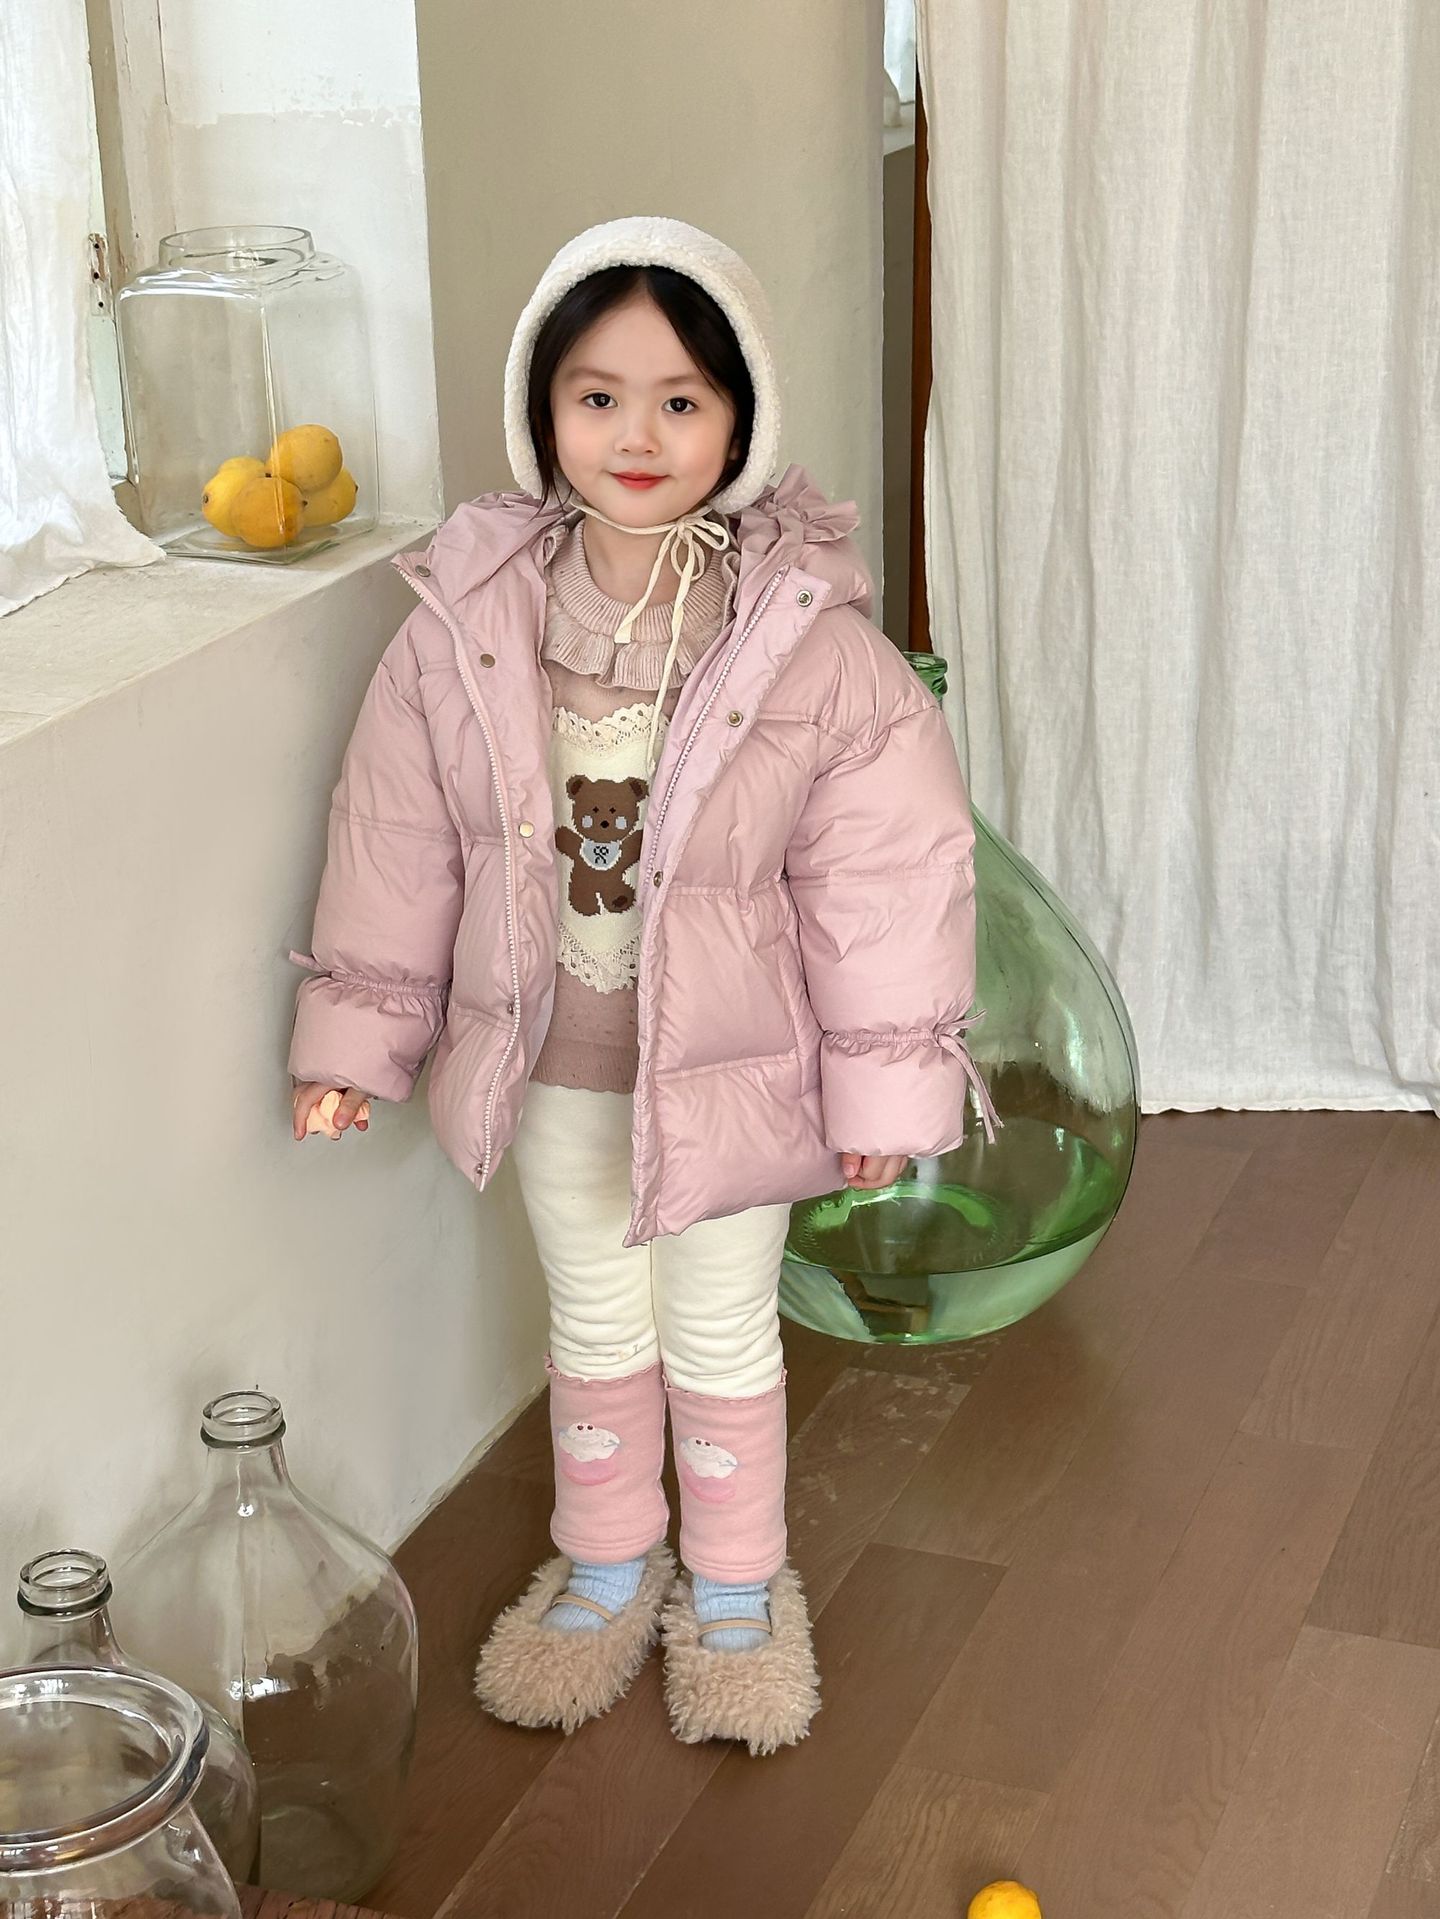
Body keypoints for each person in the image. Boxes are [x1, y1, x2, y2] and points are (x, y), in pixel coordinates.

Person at [288, 216, 995, 1757]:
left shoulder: (811, 646)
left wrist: (883, 1095)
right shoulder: (468, 627)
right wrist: (359, 1035)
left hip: (736, 1075)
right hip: (550, 1065)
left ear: (743, 418)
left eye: (682, 399)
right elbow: (398, 840)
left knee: (723, 1326)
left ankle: (738, 1590)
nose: (637, 434)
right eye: (597, 395)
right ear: (540, 408)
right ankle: (607, 1564)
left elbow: (885, 876)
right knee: (595, 1316)